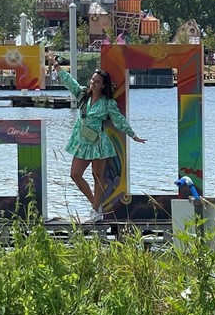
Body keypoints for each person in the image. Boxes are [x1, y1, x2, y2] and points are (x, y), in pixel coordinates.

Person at [47, 50, 146, 222]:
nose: (93, 83)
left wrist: (133, 135)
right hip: (82, 141)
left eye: (97, 81)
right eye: (92, 80)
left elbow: (119, 120)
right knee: (75, 174)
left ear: (103, 85)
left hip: (98, 143)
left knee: (98, 177)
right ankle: (95, 204)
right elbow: (69, 81)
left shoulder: (108, 103)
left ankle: (95, 212)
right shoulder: (83, 95)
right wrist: (55, 64)